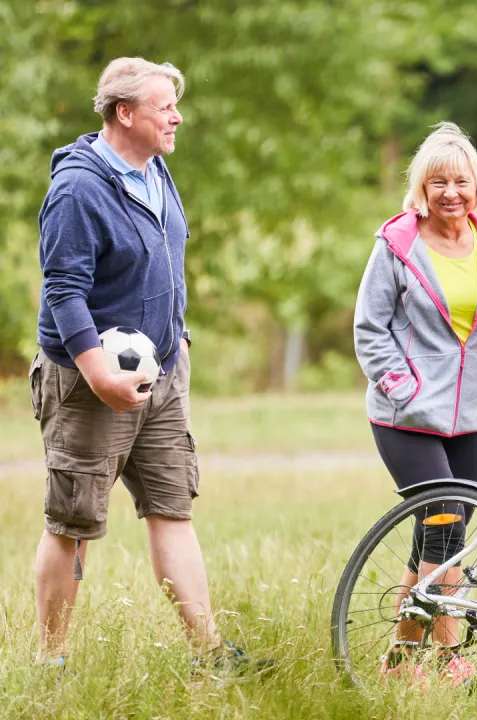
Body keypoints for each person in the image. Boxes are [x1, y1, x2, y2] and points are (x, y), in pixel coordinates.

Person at [31, 57, 268, 675]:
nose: (177, 117)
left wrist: (178, 337)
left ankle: (211, 656)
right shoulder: (78, 190)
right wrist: (99, 374)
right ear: (125, 112)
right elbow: (63, 290)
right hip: (88, 384)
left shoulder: (155, 170)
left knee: (173, 510)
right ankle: (50, 661)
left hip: (160, 376)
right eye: (166, 107)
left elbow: (167, 259)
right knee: (73, 524)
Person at [353, 121, 477, 685]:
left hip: (468, 417)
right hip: (406, 416)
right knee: (446, 527)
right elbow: (369, 328)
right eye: (438, 182)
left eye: (461, 182)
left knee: (433, 535)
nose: (451, 193)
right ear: (421, 187)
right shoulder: (397, 245)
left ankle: (398, 659)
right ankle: (448, 656)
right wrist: (405, 389)